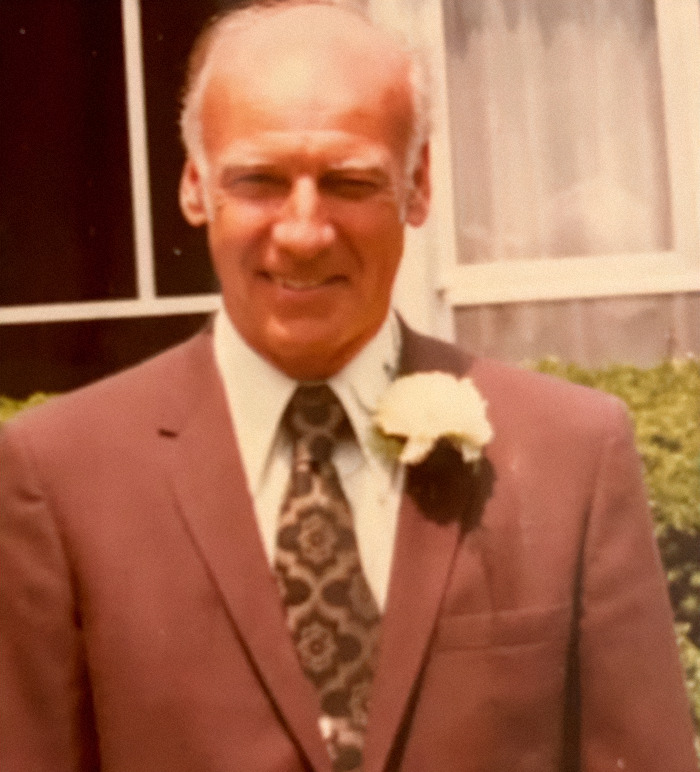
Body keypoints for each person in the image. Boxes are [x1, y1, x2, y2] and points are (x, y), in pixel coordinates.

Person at [0, 2, 696, 770]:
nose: (303, 231)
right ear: (196, 188)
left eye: (349, 181)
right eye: (259, 180)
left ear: (419, 184)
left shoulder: (570, 455)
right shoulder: (58, 477)